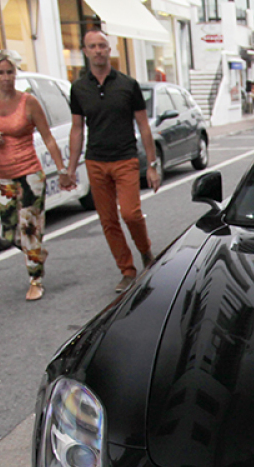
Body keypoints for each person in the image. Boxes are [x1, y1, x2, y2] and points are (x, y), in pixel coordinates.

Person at [65, 29, 160, 293]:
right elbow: (76, 129)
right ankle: (127, 270)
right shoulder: (79, 88)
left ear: (110, 50)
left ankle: (145, 251)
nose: (98, 50)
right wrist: (71, 169)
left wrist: (152, 166)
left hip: (125, 158)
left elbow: (143, 126)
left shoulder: (127, 85)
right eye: (92, 46)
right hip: (95, 161)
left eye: (102, 46)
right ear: (85, 51)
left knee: (130, 213)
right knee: (108, 220)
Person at [0, 50, 72, 301]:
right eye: (1, 73)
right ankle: (37, 253)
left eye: (10, 72)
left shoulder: (28, 102)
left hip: (29, 174)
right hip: (2, 176)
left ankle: (35, 280)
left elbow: (48, 138)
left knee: (30, 228)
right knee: (9, 231)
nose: (6, 77)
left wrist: (62, 170)